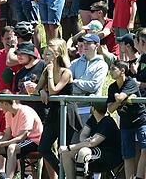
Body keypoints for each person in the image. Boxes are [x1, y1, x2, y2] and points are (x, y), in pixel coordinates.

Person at [36, 38, 83, 179]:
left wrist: (50, 74)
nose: (44, 57)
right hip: (54, 112)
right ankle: (62, 172)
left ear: (56, 54)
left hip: (68, 113)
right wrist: (40, 92)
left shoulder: (66, 72)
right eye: (44, 54)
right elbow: (37, 89)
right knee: (43, 147)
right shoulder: (46, 69)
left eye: (48, 54)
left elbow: (54, 90)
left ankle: (70, 175)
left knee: (65, 149)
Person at [59, 102, 122, 179]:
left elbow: (92, 143)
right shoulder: (92, 118)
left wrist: (69, 147)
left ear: (93, 109)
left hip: (109, 157)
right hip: (94, 151)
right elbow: (83, 134)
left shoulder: (108, 121)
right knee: (66, 153)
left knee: (83, 152)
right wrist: (85, 141)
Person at [0, 96, 43, 179]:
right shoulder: (8, 114)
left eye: (0, 104)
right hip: (19, 141)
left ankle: (9, 177)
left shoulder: (25, 111)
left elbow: (22, 137)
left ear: (5, 104)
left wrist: (1, 143)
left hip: (34, 141)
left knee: (11, 148)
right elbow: (7, 135)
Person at [108, 59, 146, 179]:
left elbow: (119, 98)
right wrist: (118, 100)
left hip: (140, 120)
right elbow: (110, 109)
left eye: (113, 69)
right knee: (127, 155)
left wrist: (118, 99)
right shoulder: (112, 87)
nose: (110, 71)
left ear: (122, 70)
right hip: (125, 123)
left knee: (145, 148)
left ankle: (139, 177)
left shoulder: (131, 83)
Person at [70, 33, 108, 123]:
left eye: (89, 43)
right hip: (74, 108)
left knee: (87, 137)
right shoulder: (75, 63)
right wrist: (81, 88)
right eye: (84, 43)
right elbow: (67, 84)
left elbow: (93, 86)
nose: (85, 45)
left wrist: (75, 82)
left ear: (97, 45)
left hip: (91, 109)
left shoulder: (102, 65)